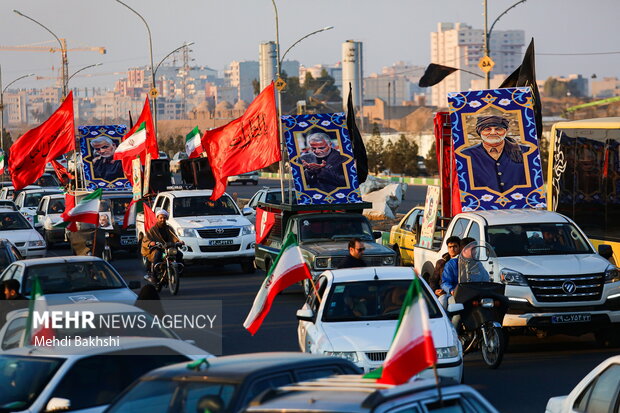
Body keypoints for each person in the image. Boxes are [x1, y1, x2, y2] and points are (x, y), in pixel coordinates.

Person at [461, 115, 529, 192]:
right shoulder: (465, 155)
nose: (493, 132)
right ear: (480, 132)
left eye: (498, 129)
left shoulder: (526, 152)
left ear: (506, 131)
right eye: (487, 129)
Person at [141, 210, 184, 283]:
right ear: (157, 218)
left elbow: (174, 237)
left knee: (179, 254)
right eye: (161, 218)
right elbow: (145, 240)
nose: (162, 219)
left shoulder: (169, 228)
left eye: (164, 218)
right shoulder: (153, 230)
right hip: (158, 248)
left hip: (168, 248)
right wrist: (151, 243)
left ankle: (178, 272)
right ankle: (154, 275)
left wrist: (179, 242)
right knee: (157, 255)